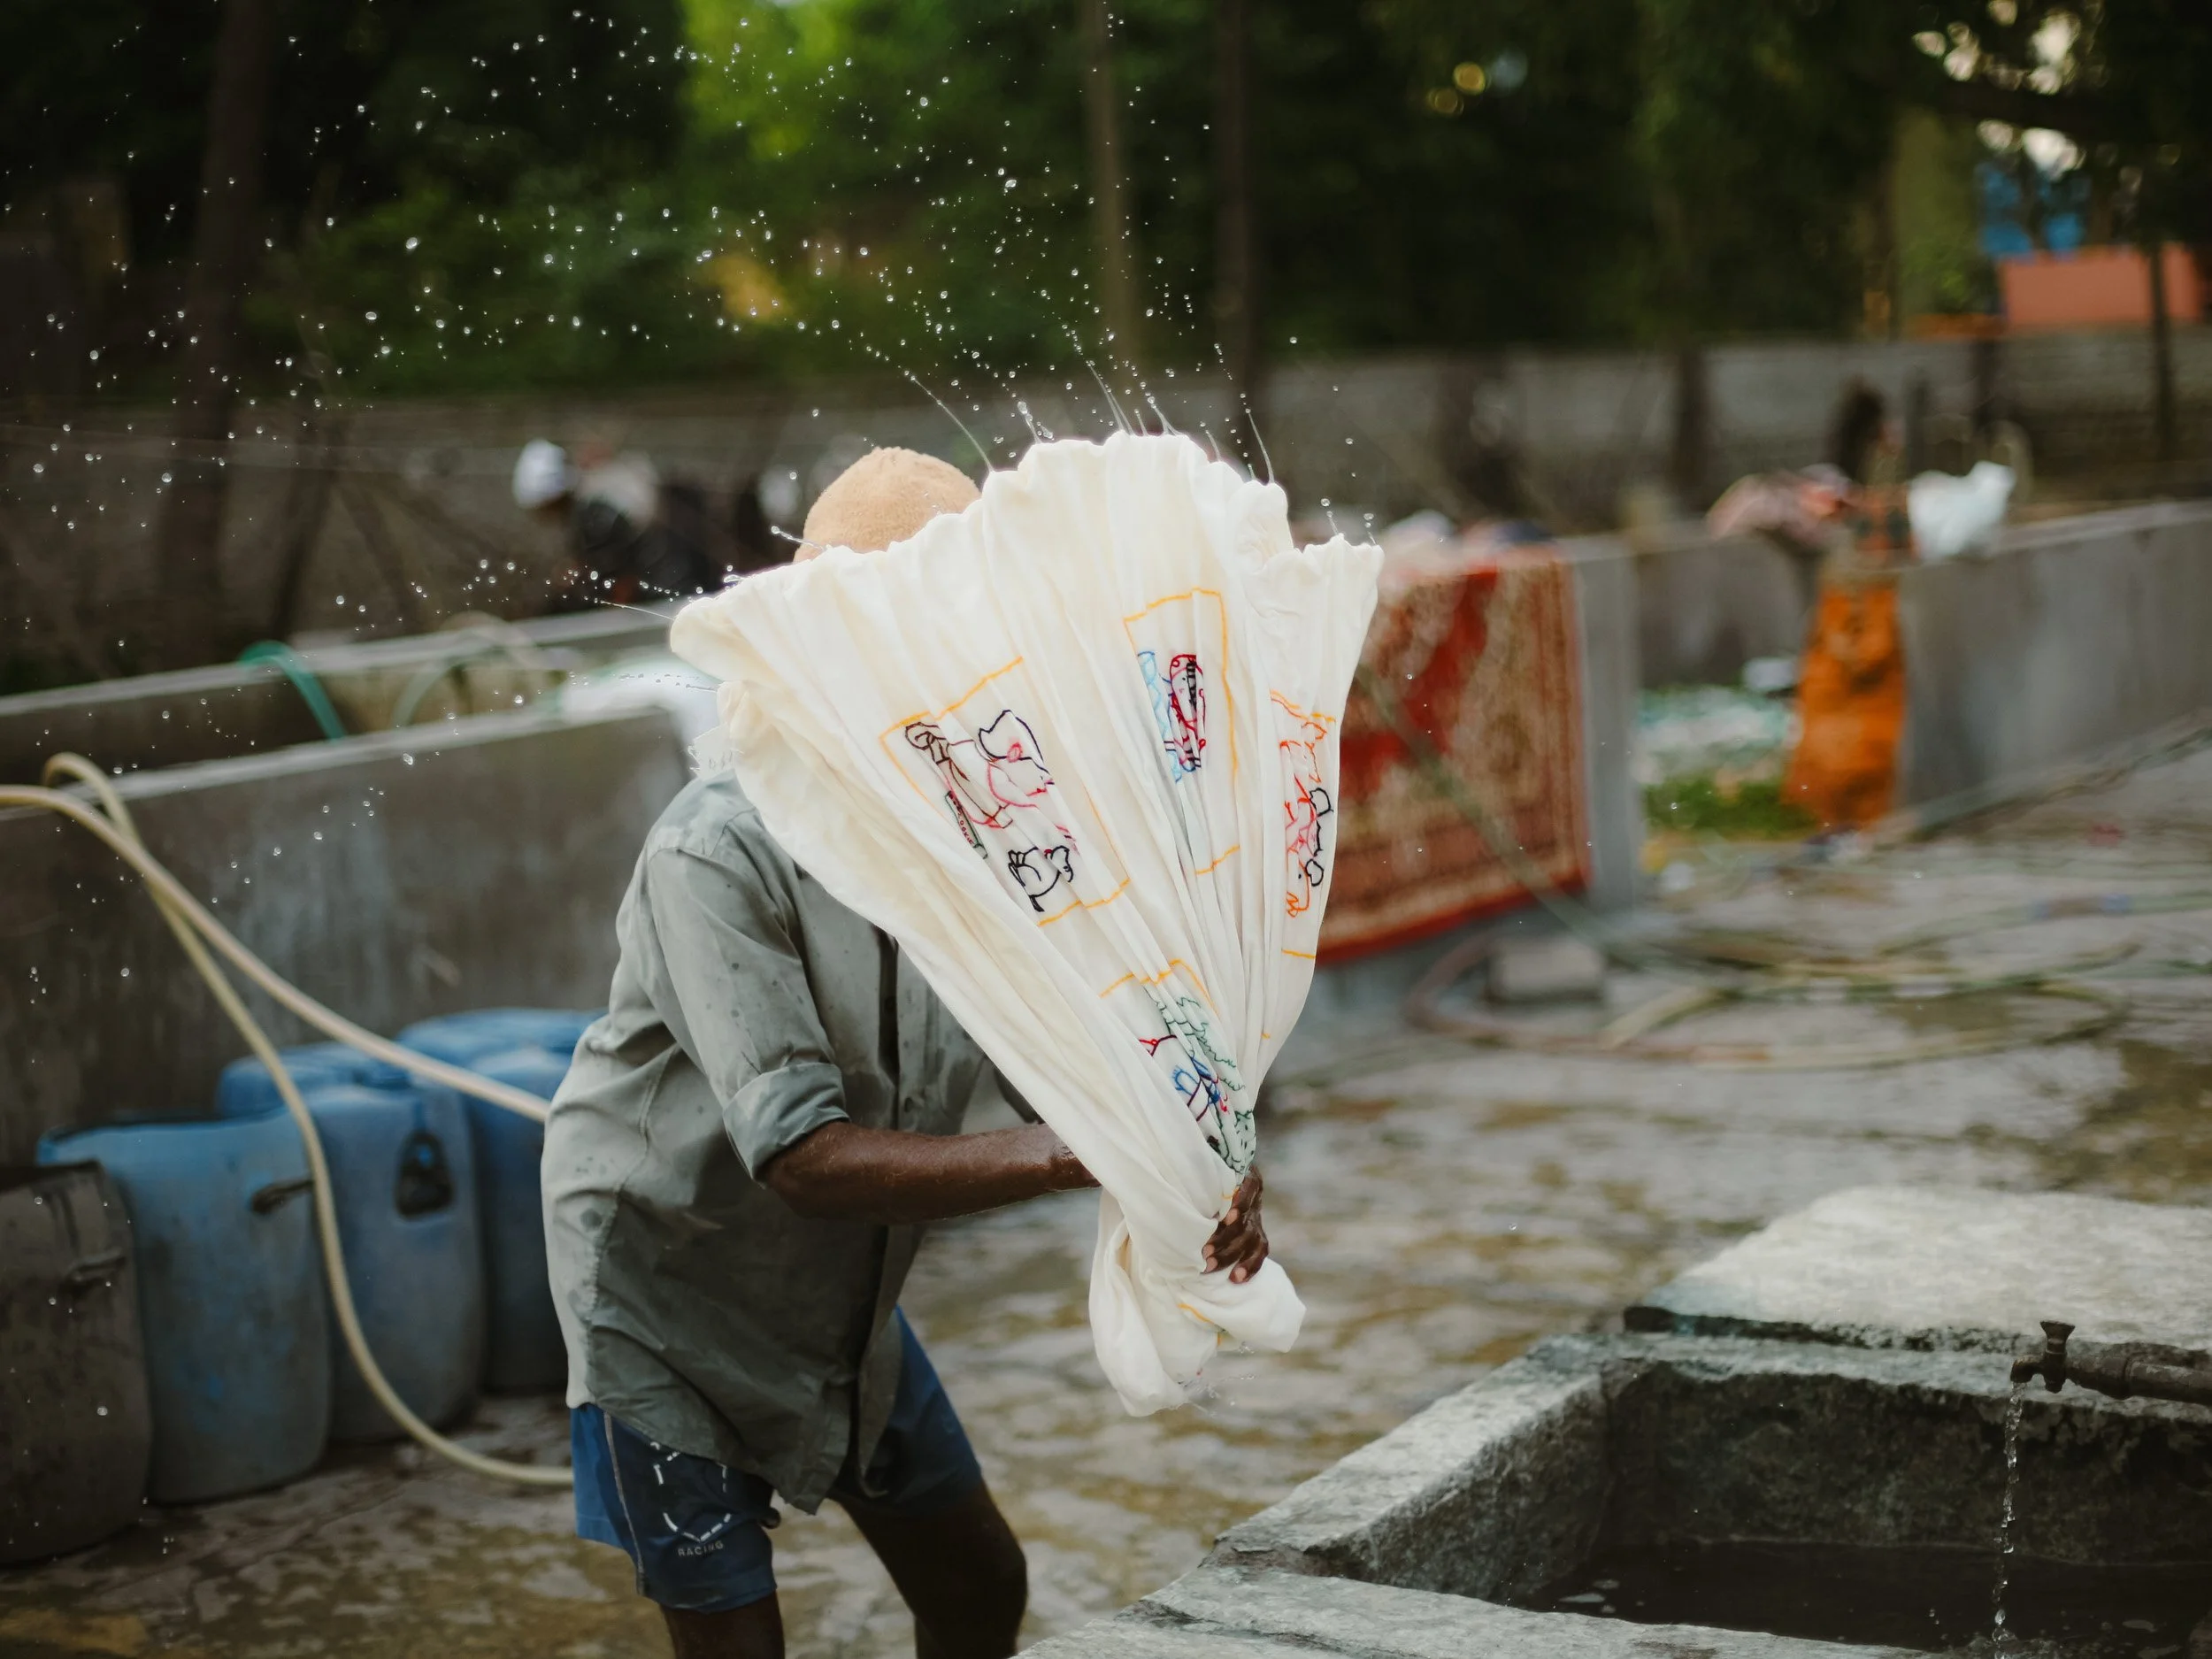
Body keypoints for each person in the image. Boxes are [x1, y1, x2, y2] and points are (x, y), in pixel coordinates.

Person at [542, 446, 1273, 1659]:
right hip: (672, 1293)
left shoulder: (970, 826)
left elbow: (1068, 1032)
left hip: (844, 1298)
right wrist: (1065, 1153)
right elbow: (805, 1157)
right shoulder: (715, 849)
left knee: (981, 1584)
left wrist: (1184, 1155)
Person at [512, 438, 729, 610]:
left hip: (662, 598)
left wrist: (613, 615)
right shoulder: (591, 508)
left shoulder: (595, 518)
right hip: (668, 589)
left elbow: (622, 576)